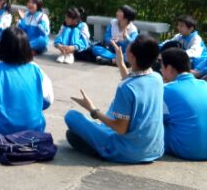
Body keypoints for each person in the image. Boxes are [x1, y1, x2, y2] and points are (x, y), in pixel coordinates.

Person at [65, 35, 165, 163]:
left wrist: (93, 110)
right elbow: (135, 84)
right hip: (155, 149)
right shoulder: (157, 78)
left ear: (132, 57)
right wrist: (120, 63)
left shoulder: (125, 87)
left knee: (71, 116)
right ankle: (100, 135)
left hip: (128, 151)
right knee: (117, 107)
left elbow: (121, 129)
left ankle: (102, 150)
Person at [0, 28, 53, 138]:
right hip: (34, 132)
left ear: (3, 47)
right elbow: (48, 100)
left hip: (0, 133)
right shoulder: (37, 70)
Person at [160, 47, 207, 160]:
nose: (161, 71)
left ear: (170, 68)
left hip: (189, 149)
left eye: (162, 67)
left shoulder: (166, 89)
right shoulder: (205, 85)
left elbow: (152, 117)